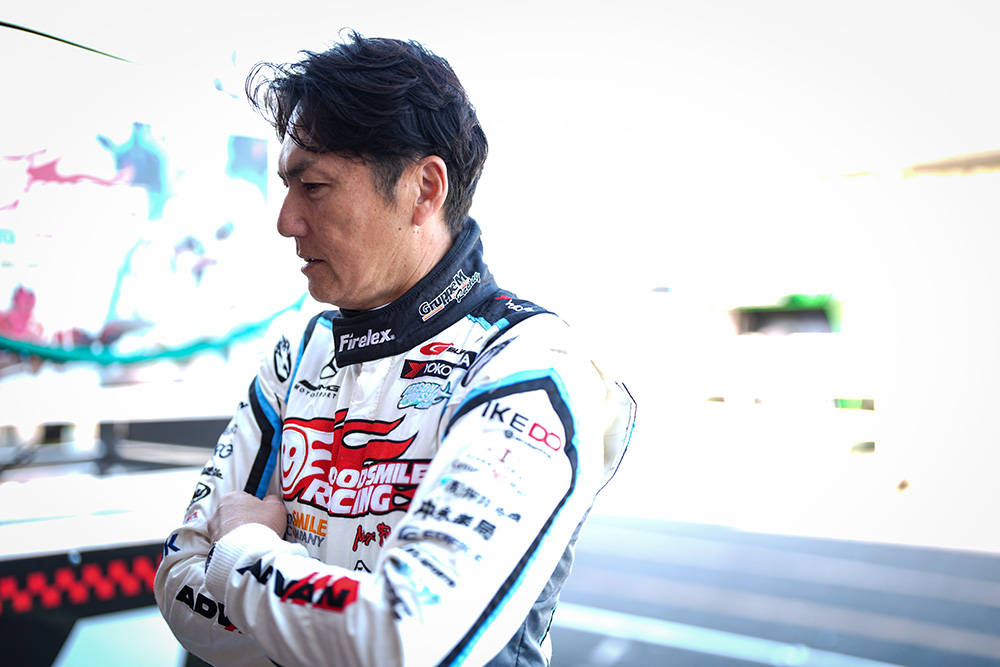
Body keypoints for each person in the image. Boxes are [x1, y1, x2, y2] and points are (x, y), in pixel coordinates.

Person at [155, 31, 635, 667]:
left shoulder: (529, 364)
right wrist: (332, 627)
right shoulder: (299, 355)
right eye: (286, 185)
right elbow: (180, 587)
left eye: (313, 185)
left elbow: (405, 638)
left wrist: (244, 550)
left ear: (424, 190)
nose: (285, 220)